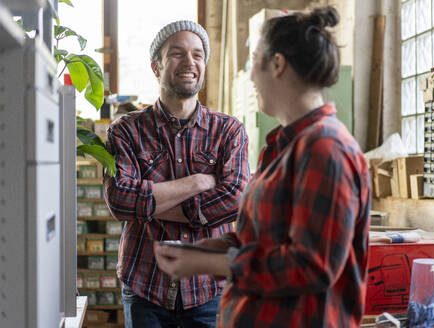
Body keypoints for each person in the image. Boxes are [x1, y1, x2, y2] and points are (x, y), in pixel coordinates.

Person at [153, 6, 371, 328]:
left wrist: (216, 261)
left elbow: (312, 266)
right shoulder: (283, 145)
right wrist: (207, 250)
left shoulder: (326, 149)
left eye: (254, 60)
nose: (251, 75)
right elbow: (267, 240)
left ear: (278, 64)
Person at [103, 20, 250, 328]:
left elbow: (235, 199)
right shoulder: (126, 130)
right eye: (177, 53)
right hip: (145, 286)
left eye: (198, 55)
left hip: (209, 289)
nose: (189, 62)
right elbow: (120, 200)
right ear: (156, 67)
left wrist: (152, 205)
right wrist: (196, 183)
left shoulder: (229, 131)